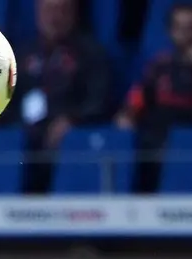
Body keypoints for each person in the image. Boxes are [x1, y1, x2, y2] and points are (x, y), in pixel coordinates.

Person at [11, 0, 116, 194]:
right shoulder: (22, 55)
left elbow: (99, 100)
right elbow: (7, 101)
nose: (54, 17)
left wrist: (72, 119)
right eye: (48, 10)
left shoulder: (91, 54)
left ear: (73, 14)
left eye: (61, 10)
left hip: (69, 137)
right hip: (24, 141)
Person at [119, 3, 192, 193]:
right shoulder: (158, 66)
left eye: (191, 28)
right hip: (159, 144)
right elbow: (136, 100)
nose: (185, 34)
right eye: (179, 28)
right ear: (170, 32)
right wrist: (127, 116)